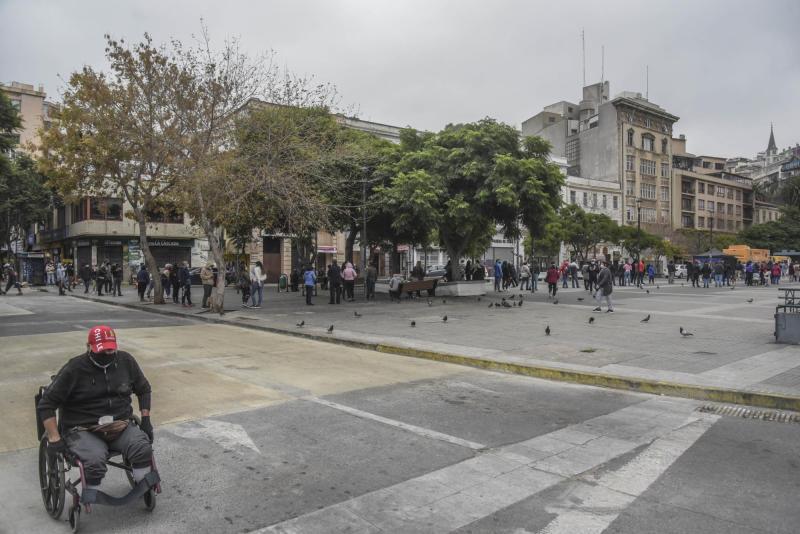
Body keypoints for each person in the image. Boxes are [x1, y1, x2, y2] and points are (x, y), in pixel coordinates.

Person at [37, 325, 155, 498]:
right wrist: (54, 437)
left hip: (119, 425)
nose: (107, 354)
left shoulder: (126, 361)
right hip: (84, 429)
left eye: (110, 350)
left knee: (142, 447)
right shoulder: (74, 368)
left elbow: (144, 389)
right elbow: (46, 404)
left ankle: (143, 485)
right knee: (94, 460)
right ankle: (91, 495)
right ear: (89, 347)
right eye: (102, 350)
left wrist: (146, 420)